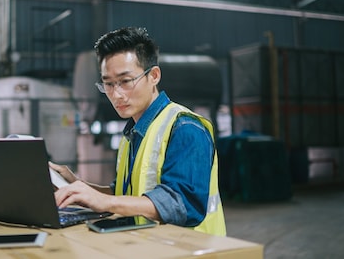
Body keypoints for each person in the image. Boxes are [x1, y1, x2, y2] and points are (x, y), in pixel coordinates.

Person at [51, 27, 226, 236]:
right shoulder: (132, 134)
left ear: (154, 75)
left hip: (195, 251)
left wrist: (106, 201)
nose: (116, 95)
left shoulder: (185, 128)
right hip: (154, 247)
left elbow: (182, 204)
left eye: (125, 81)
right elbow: (123, 195)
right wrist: (75, 183)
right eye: (108, 84)